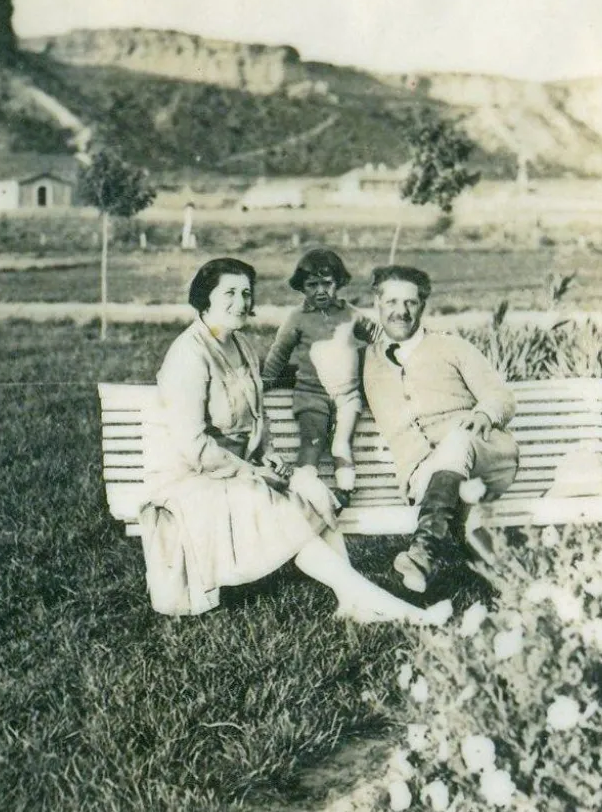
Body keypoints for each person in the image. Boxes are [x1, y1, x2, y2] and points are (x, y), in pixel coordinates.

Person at [138, 257, 452, 626]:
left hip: (233, 469)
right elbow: (192, 446)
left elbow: (256, 416)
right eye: (229, 293)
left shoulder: (238, 345)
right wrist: (251, 472)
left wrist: (267, 455)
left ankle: (351, 599)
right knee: (274, 504)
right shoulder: (188, 356)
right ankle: (394, 609)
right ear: (204, 298)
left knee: (312, 489)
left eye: (245, 293)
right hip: (190, 479)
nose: (240, 302)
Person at [361, 265, 519, 594]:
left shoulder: (452, 347)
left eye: (411, 303)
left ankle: (423, 551)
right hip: (423, 473)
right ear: (377, 303)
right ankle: (507, 583)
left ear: (423, 305)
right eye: (391, 302)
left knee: (457, 439)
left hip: (483, 453)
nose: (400, 311)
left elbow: (500, 395)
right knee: (469, 517)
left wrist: (485, 414)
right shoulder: (365, 360)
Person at [261, 248, 375, 508]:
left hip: (347, 395)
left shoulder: (351, 314)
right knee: (312, 441)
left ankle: (344, 491)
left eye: (327, 283)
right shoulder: (298, 318)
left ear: (339, 283)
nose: (320, 291)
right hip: (311, 394)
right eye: (312, 285)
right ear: (302, 288)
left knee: (341, 444)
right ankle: (304, 492)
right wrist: (266, 381)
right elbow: (280, 351)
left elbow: (379, 338)